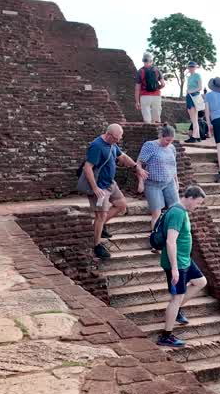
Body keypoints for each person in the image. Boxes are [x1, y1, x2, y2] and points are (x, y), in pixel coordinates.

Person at [80, 124, 144, 261]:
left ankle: (99, 226)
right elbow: (88, 167)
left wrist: (136, 167)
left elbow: (123, 157)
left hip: (110, 183)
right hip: (100, 187)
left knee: (121, 205)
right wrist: (95, 188)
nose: (117, 141)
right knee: (100, 215)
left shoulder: (112, 144)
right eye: (116, 139)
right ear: (109, 135)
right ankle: (97, 245)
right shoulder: (97, 146)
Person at [158, 185, 209, 347]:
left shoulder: (182, 211)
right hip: (177, 263)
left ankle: (177, 309)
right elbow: (170, 241)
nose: (198, 206)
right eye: (198, 203)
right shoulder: (177, 213)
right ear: (191, 198)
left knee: (201, 282)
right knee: (176, 298)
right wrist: (174, 268)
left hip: (185, 259)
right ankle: (166, 335)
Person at [136, 124, 180, 229]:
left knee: (176, 209)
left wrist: (176, 181)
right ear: (161, 136)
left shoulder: (172, 148)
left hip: (169, 182)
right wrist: (140, 180)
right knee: (156, 213)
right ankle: (155, 239)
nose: (168, 143)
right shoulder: (150, 145)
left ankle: (173, 234)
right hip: (153, 183)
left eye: (171, 141)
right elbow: (139, 163)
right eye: (167, 140)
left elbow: (173, 166)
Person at [134, 52, 165, 124]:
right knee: (156, 119)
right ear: (151, 61)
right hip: (156, 96)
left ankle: (149, 130)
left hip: (144, 96)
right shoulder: (157, 70)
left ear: (143, 61)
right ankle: (156, 132)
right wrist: (156, 88)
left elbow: (137, 88)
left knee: (147, 120)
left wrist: (137, 101)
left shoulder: (140, 71)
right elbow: (163, 84)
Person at [184, 62, 205, 142]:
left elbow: (200, 88)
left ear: (195, 67)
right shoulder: (189, 77)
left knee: (194, 119)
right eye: (190, 67)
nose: (191, 68)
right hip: (189, 97)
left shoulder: (197, 75)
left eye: (192, 67)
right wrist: (188, 92)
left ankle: (195, 137)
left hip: (194, 97)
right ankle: (197, 136)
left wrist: (190, 91)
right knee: (193, 118)